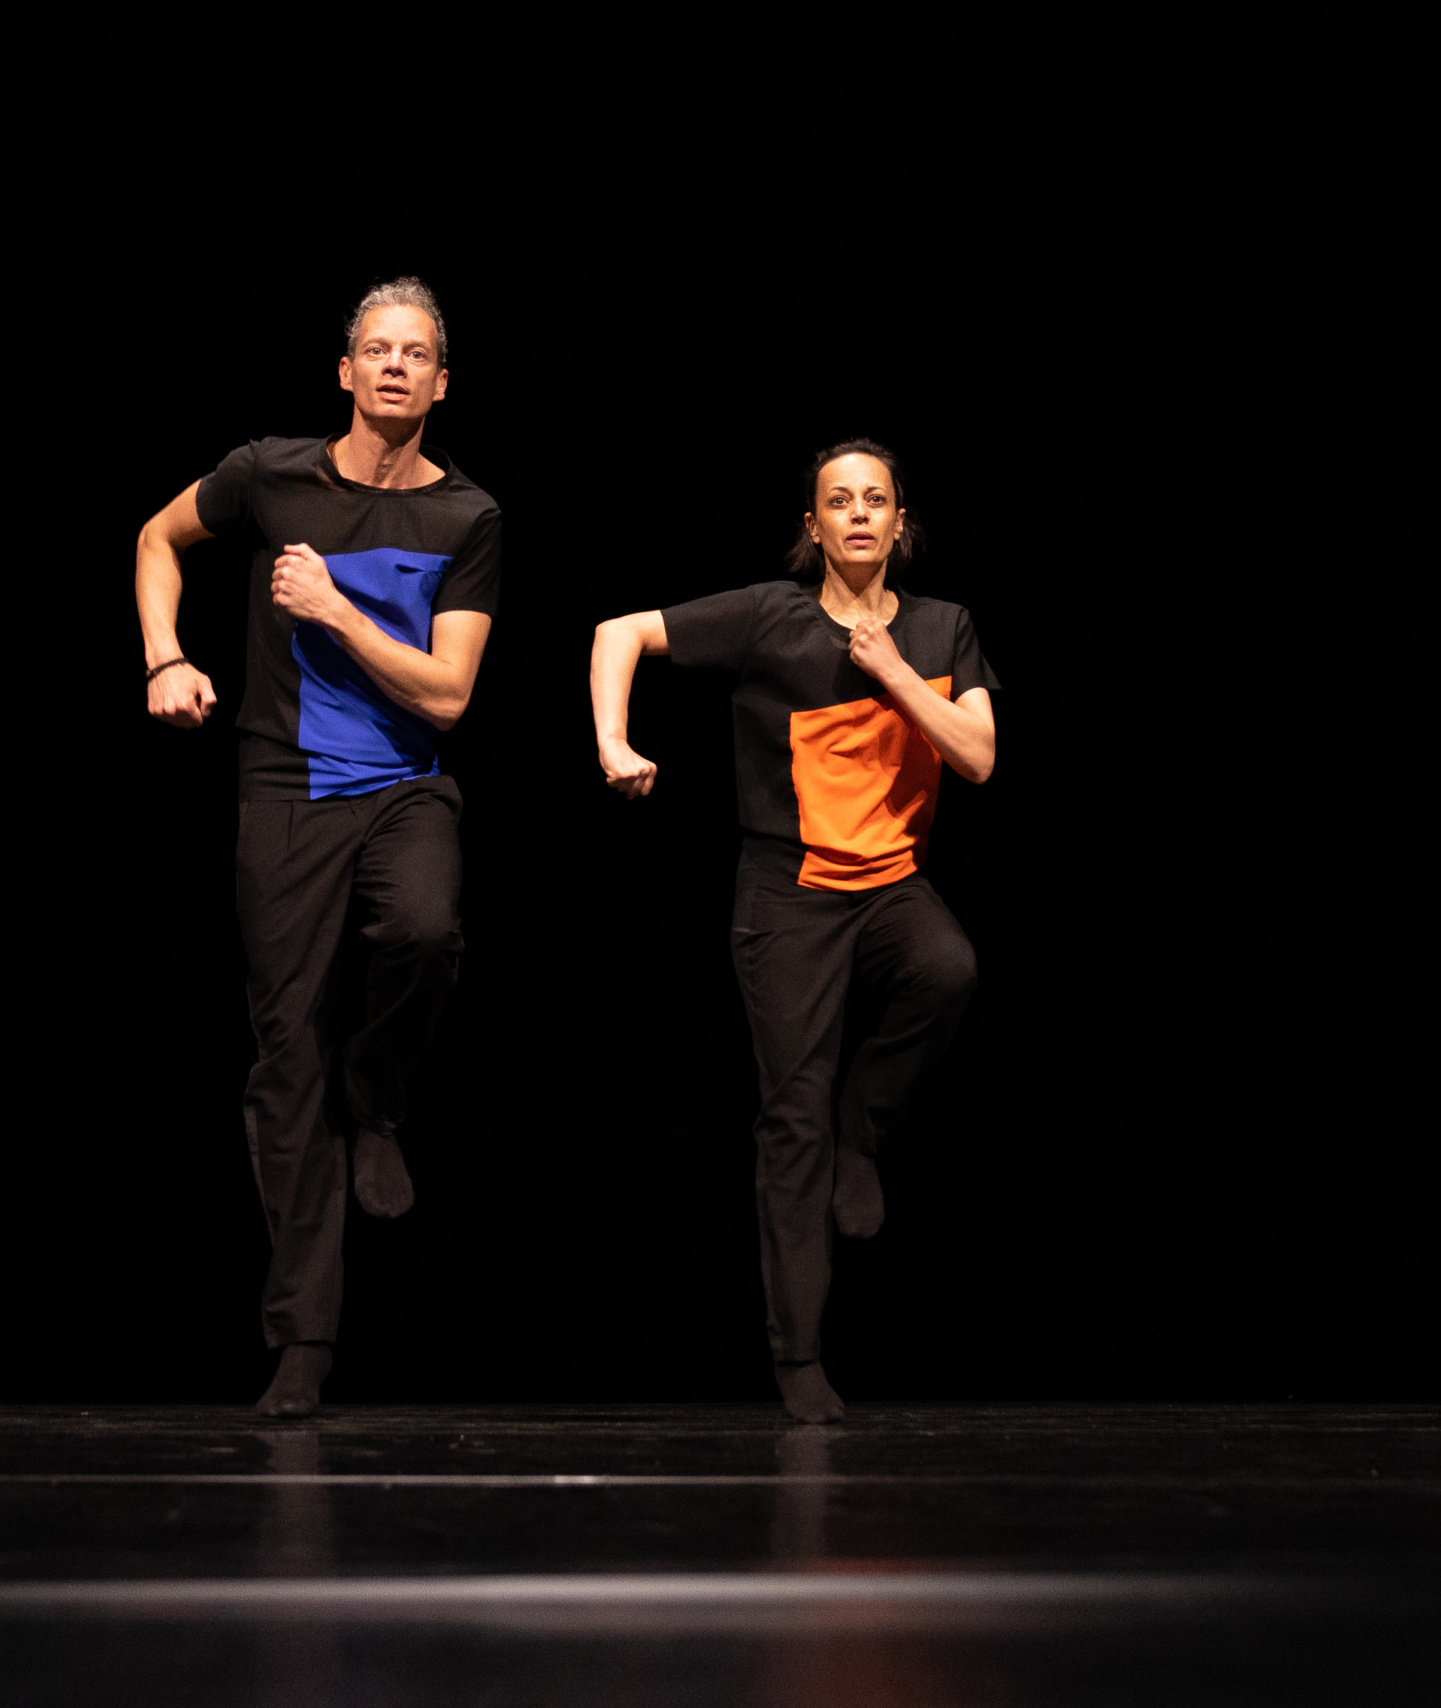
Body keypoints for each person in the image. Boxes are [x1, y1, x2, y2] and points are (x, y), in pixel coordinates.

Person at [134, 278, 500, 1417]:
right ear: (344, 372)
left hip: (401, 785)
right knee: (284, 1052)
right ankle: (302, 1340)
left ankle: (375, 1092)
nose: (393, 366)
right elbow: (156, 537)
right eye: (375, 350)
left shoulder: (468, 517)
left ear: (441, 383)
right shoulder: (270, 473)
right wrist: (164, 656)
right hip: (283, 787)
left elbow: (449, 695)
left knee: (424, 932)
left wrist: (335, 608)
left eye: (416, 353)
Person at [590, 440, 998, 1423]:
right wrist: (612, 739)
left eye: (875, 500)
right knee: (791, 1116)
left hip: (891, 882)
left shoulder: (943, 627)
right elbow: (617, 632)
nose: (858, 514)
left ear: (900, 523)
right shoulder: (769, 614)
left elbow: (979, 757)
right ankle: (800, 1354)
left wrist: (894, 671)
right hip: (789, 892)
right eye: (838, 501)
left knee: (948, 969)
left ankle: (866, 1126)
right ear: (813, 527)